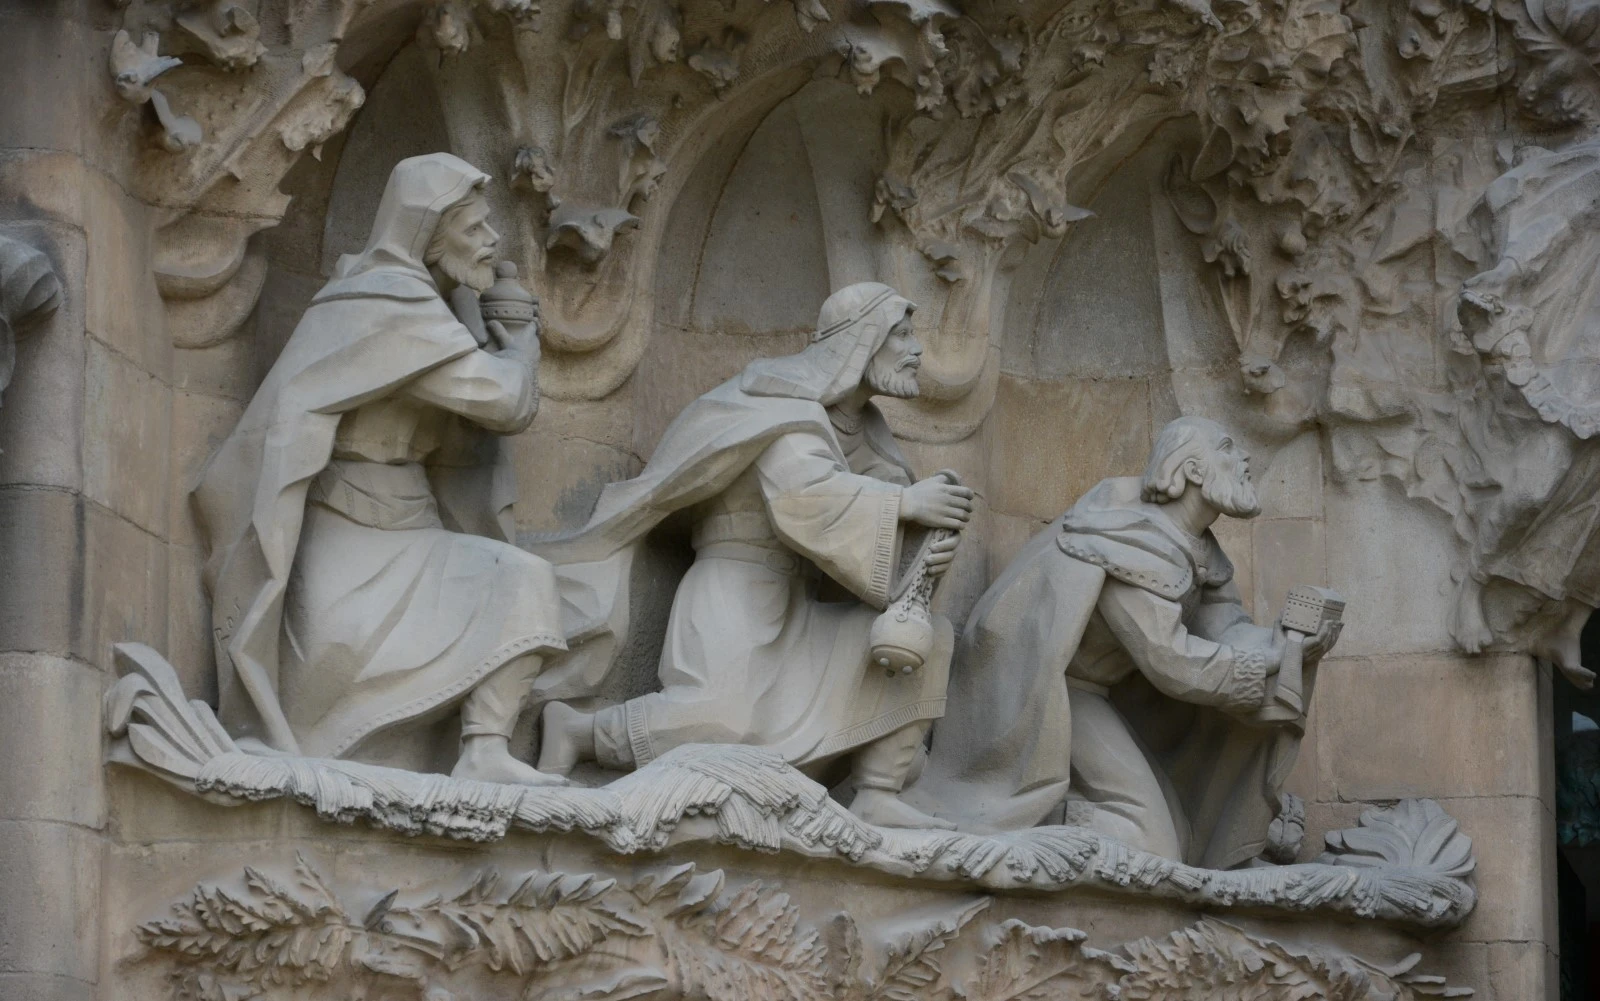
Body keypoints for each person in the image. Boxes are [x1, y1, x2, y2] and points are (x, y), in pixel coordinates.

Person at [532, 282, 973, 828]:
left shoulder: (863, 430)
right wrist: (907, 503)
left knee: (933, 642)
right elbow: (804, 497)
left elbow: (877, 509)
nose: (916, 349)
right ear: (863, 342)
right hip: (736, 585)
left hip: (797, 601)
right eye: (902, 334)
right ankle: (577, 732)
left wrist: (931, 530)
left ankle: (877, 790)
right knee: (722, 723)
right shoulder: (779, 401)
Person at [192, 153, 569, 786]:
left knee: (524, 580)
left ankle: (483, 750)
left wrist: (483, 322)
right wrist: (521, 346)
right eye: (474, 228)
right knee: (513, 580)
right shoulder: (387, 306)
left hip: (411, 529)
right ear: (428, 232)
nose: (492, 239)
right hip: (348, 546)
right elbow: (505, 403)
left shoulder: (430, 310)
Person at [906, 417, 1338, 867]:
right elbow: (1171, 661)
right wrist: (1266, 660)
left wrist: (1287, 641)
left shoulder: (1198, 547)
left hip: (1086, 695)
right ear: (1192, 469)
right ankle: (1034, 825)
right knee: (1155, 844)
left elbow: (1226, 628)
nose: (1244, 459)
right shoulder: (1130, 538)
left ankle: (1053, 816)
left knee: (1176, 831)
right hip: (1036, 693)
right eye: (1228, 448)